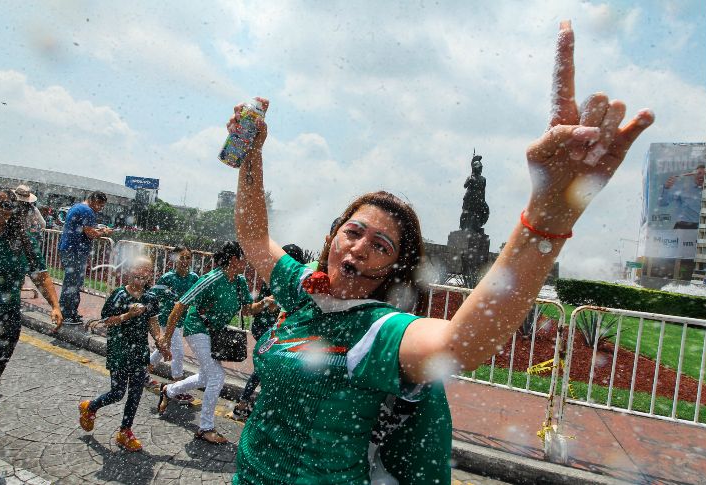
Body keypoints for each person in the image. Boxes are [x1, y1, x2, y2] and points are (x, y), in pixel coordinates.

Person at [227, 20, 654, 484]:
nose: (360, 247)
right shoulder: (305, 291)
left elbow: (460, 344)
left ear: (394, 268)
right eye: (353, 232)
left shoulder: (378, 332)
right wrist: (252, 152)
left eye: (381, 245)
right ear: (332, 239)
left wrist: (548, 217)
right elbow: (253, 239)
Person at [157, 241, 274, 444]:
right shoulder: (211, 279)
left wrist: (265, 302)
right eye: (244, 257)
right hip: (197, 329)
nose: (247, 261)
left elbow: (247, 310)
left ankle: (169, 390)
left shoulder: (238, 282)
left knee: (205, 376)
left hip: (214, 332)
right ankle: (205, 428)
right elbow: (179, 305)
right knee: (217, 375)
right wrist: (166, 339)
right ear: (234, 259)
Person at [0, 185, 63, 409]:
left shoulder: (21, 239)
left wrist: (55, 306)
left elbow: (41, 275)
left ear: (12, 210)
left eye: (5, 205)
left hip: (6, 315)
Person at [78, 256, 168, 452]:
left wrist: (160, 342)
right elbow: (106, 320)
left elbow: (152, 322)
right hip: (120, 349)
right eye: (137, 273)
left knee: (135, 393)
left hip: (139, 350)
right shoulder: (119, 295)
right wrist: (128, 315)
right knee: (118, 393)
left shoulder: (150, 298)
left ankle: (125, 431)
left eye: (145, 273)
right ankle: (90, 407)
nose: (140, 278)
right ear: (129, 272)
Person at [230, 243, 306, 422]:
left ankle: (248, 405)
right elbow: (270, 308)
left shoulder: (283, 278)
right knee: (265, 369)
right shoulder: (279, 279)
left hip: (274, 330)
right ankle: (246, 406)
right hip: (269, 330)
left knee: (267, 368)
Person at [146, 245, 200, 404]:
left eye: (187, 258)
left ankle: (142, 372)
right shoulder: (167, 278)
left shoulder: (194, 278)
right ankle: (177, 389)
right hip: (167, 320)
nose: (184, 261)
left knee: (163, 349)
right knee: (178, 353)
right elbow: (153, 296)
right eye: (181, 257)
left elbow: (198, 298)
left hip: (182, 320)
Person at [58, 191, 114, 323]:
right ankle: (66, 314)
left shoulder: (77, 207)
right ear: (94, 201)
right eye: (100, 205)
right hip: (75, 251)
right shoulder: (87, 211)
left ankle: (69, 312)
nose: (100, 208)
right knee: (73, 283)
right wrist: (104, 232)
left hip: (69, 248)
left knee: (72, 283)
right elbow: (90, 233)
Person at [657, 163, 705, 229]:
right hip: (684, 228)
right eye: (699, 173)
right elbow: (662, 203)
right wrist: (666, 188)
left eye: (705, 174)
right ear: (694, 175)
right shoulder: (683, 189)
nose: (702, 176)